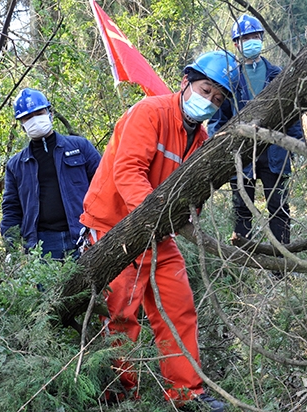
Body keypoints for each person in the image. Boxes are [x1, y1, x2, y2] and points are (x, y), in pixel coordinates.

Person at [80, 51, 238, 412]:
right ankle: (121, 398)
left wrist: (185, 214)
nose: (209, 102)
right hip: (114, 226)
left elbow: (190, 196)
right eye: (205, 90)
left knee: (179, 308)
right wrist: (154, 217)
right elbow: (128, 172)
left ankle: (187, 395)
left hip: (158, 234)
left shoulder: (199, 141)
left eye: (217, 99)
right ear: (185, 82)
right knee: (120, 317)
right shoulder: (149, 112)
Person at [208, 14, 304, 245]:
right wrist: (219, 149)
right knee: (242, 208)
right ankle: (244, 256)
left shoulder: (278, 75)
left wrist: (296, 144)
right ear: (236, 44)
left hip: (276, 152)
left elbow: (292, 113)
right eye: (245, 38)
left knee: (278, 206)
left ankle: (281, 260)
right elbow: (218, 119)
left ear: (261, 38)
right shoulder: (230, 80)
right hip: (241, 156)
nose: (251, 41)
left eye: (254, 36)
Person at [0, 88, 102, 260]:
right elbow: (11, 209)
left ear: (50, 113)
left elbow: (104, 186)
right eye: (28, 117)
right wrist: (11, 247)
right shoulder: (16, 165)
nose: (34, 120)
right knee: (51, 288)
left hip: (83, 234)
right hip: (42, 244)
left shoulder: (80, 147)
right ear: (22, 125)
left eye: (38, 113)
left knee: (89, 286)